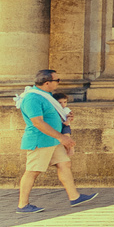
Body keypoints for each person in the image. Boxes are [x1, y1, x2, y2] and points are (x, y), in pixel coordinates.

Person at [14, 69, 98, 216]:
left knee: (64, 163)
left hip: (52, 140)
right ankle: (22, 205)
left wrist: (65, 120)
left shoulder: (46, 96)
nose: (59, 82)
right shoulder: (33, 98)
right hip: (40, 140)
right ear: (47, 83)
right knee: (33, 171)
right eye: (57, 80)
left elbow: (50, 117)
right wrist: (62, 137)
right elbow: (38, 123)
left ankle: (75, 197)